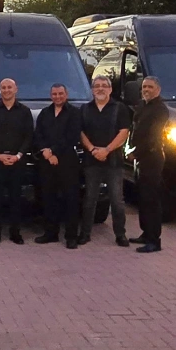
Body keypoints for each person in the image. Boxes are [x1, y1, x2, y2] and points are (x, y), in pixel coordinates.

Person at [78, 75, 133, 248]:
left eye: (104, 85)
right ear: (92, 90)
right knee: (90, 199)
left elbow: (124, 132)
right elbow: (81, 132)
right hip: (91, 161)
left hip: (113, 162)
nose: (100, 88)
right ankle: (85, 234)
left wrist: (107, 150)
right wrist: (92, 150)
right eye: (97, 86)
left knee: (117, 200)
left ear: (110, 89)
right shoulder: (85, 109)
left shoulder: (119, 108)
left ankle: (120, 235)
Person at [0, 77, 32, 245]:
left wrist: (18, 155)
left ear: (16, 89)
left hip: (17, 161)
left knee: (16, 198)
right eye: (3, 87)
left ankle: (15, 232)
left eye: (9, 87)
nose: (6, 90)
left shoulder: (25, 112)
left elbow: (28, 136)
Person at [32, 83, 82, 247]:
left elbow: (72, 137)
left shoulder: (74, 113)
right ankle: (50, 233)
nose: (57, 96)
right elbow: (38, 135)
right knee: (48, 198)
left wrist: (53, 151)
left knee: (70, 199)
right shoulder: (45, 113)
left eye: (60, 93)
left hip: (67, 161)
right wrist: (45, 151)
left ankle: (71, 236)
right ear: (51, 95)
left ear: (66, 94)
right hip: (47, 161)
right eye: (54, 94)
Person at [132, 76, 170, 253]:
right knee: (142, 197)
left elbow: (153, 137)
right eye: (144, 87)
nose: (146, 90)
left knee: (151, 199)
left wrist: (136, 152)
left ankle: (154, 240)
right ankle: (146, 233)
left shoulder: (160, 110)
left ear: (158, 90)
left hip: (152, 157)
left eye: (150, 87)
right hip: (140, 157)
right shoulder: (142, 106)